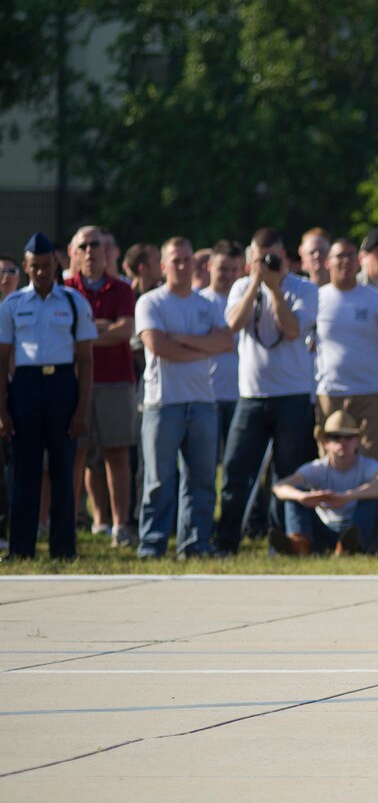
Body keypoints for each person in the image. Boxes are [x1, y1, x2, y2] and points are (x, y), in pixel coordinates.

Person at [216, 229, 320, 555]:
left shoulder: (305, 289)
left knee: (289, 474)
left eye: (273, 258)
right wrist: (253, 286)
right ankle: (225, 542)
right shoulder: (240, 287)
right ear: (251, 261)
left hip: (292, 395)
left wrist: (275, 290)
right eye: (261, 259)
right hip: (251, 396)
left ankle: (286, 541)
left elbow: (291, 331)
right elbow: (233, 325)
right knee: (235, 470)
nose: (268, 264)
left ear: (286, 259)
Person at [134, 238, 232, 559]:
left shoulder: (208, 305)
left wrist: (182, 340)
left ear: (196, 264)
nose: (182, 266)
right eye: (175, 260)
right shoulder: (151, 303)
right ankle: (153, 544)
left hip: (203, 402)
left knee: (202, 481)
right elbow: (158, 346)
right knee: (159, 481)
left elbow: (225, 342)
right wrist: (202, 345)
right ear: (163, 266)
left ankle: (195, 544)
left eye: (187, 260)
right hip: (164, 403)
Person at [0, 234, 97, 560]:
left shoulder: (73, 302)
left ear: (56, 264)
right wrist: (2, 409)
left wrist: (81, 409)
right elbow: (2, 361)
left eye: (46, 266)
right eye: (34, 267)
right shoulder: (12, 305)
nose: (41, 273)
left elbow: (85, 359)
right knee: (25, 473)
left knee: (62, 471)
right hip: (25, 387)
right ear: (25, 267)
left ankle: (63, 550)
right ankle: (21, 549)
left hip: (61, 387)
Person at [65, 226, 138, 547]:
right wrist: (103, 328)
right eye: (85, 245)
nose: (91, 251)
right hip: (74, 382)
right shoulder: (65, 289)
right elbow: (63, 336)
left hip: (115, 381)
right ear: (74, 252)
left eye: (97, 245)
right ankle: (65, 523)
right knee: (75, 453)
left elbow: (124, 333)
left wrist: (84, 334)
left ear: (107, 252)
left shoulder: (121, 289)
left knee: (117, 453)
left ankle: (120, 525)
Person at [315, 237, 378, 481]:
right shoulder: (316, 299)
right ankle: (333, 516)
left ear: (359, 261)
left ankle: (372, 517)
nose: (345, 261)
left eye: (350, 256)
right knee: (331, 462)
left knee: (374, 460)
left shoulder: (377, 300)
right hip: (330, 393)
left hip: (372, 392)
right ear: (327, 262)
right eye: (339, 256)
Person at [271, 410, 378, 554]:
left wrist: (348, 496)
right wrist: (303, 497)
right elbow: (279, 486)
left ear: (357, 441)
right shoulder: (317, 468)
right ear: (326, 442)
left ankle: (350, 547)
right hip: (322, 530)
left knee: (373, 500)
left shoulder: (370, 466)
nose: (343, 442)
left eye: (349, 437)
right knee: (293, 496)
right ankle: (299, 545)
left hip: (354, 529)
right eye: (336, 437)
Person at [201, 240, 244, 450]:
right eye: (223, 269)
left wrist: (215, 340)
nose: (229, 275)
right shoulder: (200, 302)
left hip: (242, 394)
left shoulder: (249, 301)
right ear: (209, 267)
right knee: (205, 460)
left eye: (234, 269)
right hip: (208, 394)